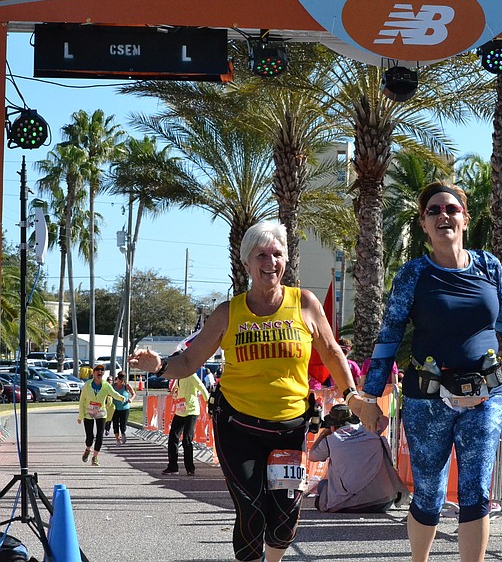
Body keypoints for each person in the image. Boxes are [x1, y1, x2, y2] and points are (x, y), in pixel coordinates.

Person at [129, 220, 360, 562]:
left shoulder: (305, 303)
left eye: (277, 254)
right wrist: (160, 366)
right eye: (261, 255)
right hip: (238, 428)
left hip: (290, 428)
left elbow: (331, 351)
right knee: (252, 512)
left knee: (283, 522)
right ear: (246, 263)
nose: (271, 262)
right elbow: (190, 359)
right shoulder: (228, 313)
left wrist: (352, 395)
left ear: (286, 260)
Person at [350, 182, 502, 562]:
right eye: (434, 211)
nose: (444, 216)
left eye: (452, 209)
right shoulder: (413, 275)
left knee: (476, 491)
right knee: (428, 493)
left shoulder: (490, 266)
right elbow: (389, 335)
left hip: (484, 397)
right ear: (424, 224)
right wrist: (371, 397)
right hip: (427, 400)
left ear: (465, 219)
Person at [309, 404, 408, 513]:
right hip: (384, 501)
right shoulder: (369, 429)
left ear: (332, 425)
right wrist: (363, 413)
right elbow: (384, 420)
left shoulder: (331, 440)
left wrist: (324, 433)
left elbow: (312, 456)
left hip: (351, 505)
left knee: (322, 485)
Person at [77, 364, 128, 467]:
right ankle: (88, 449)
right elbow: (82, 400)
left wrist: (121, 397)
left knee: (100, 436)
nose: (100, 372)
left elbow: (113, 393)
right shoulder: (87, 385)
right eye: (97, 370)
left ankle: (95, 457)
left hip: (101, 412)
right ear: (94, 372)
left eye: (102, 370)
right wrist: (80, 416)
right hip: (89, 412)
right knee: (90, 437)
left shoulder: (105, 385)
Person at [161, 370, 209, 476]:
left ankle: (190, 468)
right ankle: (173, 467)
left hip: (191, 411)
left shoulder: (191, 375)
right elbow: (176, 390)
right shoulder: (178, 377)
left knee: (187, 439)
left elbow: (202, 387)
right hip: (180, 411)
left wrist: (209, 404)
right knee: (173, 438)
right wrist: (174, 393)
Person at [111, 372, 136, 445]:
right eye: (120, 380)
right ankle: (117, 440)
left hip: (125, 408)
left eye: (123, 380)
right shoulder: (113, 386)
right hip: (115, 408)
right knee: (115, 424)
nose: (121, 381)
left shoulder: (126, 386)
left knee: (123, 424)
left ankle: (123, 433)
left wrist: (131, 399)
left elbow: (133, 394)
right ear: (117, 378)